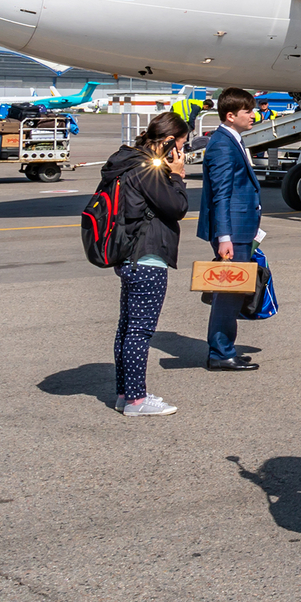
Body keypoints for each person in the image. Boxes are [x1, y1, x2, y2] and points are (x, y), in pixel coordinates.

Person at [99, 111, 190, 417]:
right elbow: (177, 207)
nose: (183, 153)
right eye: (181, 145)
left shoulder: (125, 163)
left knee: (127, 328)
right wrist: (177, 176)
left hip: (128, 255)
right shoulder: (146, 169)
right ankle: (137, 400)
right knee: (139, 332)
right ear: (168, 142)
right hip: (147, 257)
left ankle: (125, 394)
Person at [196, 87, 263, 371]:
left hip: (240, 229)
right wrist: (224, 237)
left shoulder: (231, 139)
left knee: (233, 292)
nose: (253, 115)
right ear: (230, 115)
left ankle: (224, 346)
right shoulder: (223, 144)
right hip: (232, 232)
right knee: (228, 292)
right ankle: (221, 352)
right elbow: (221, 194)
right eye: (248, 111)